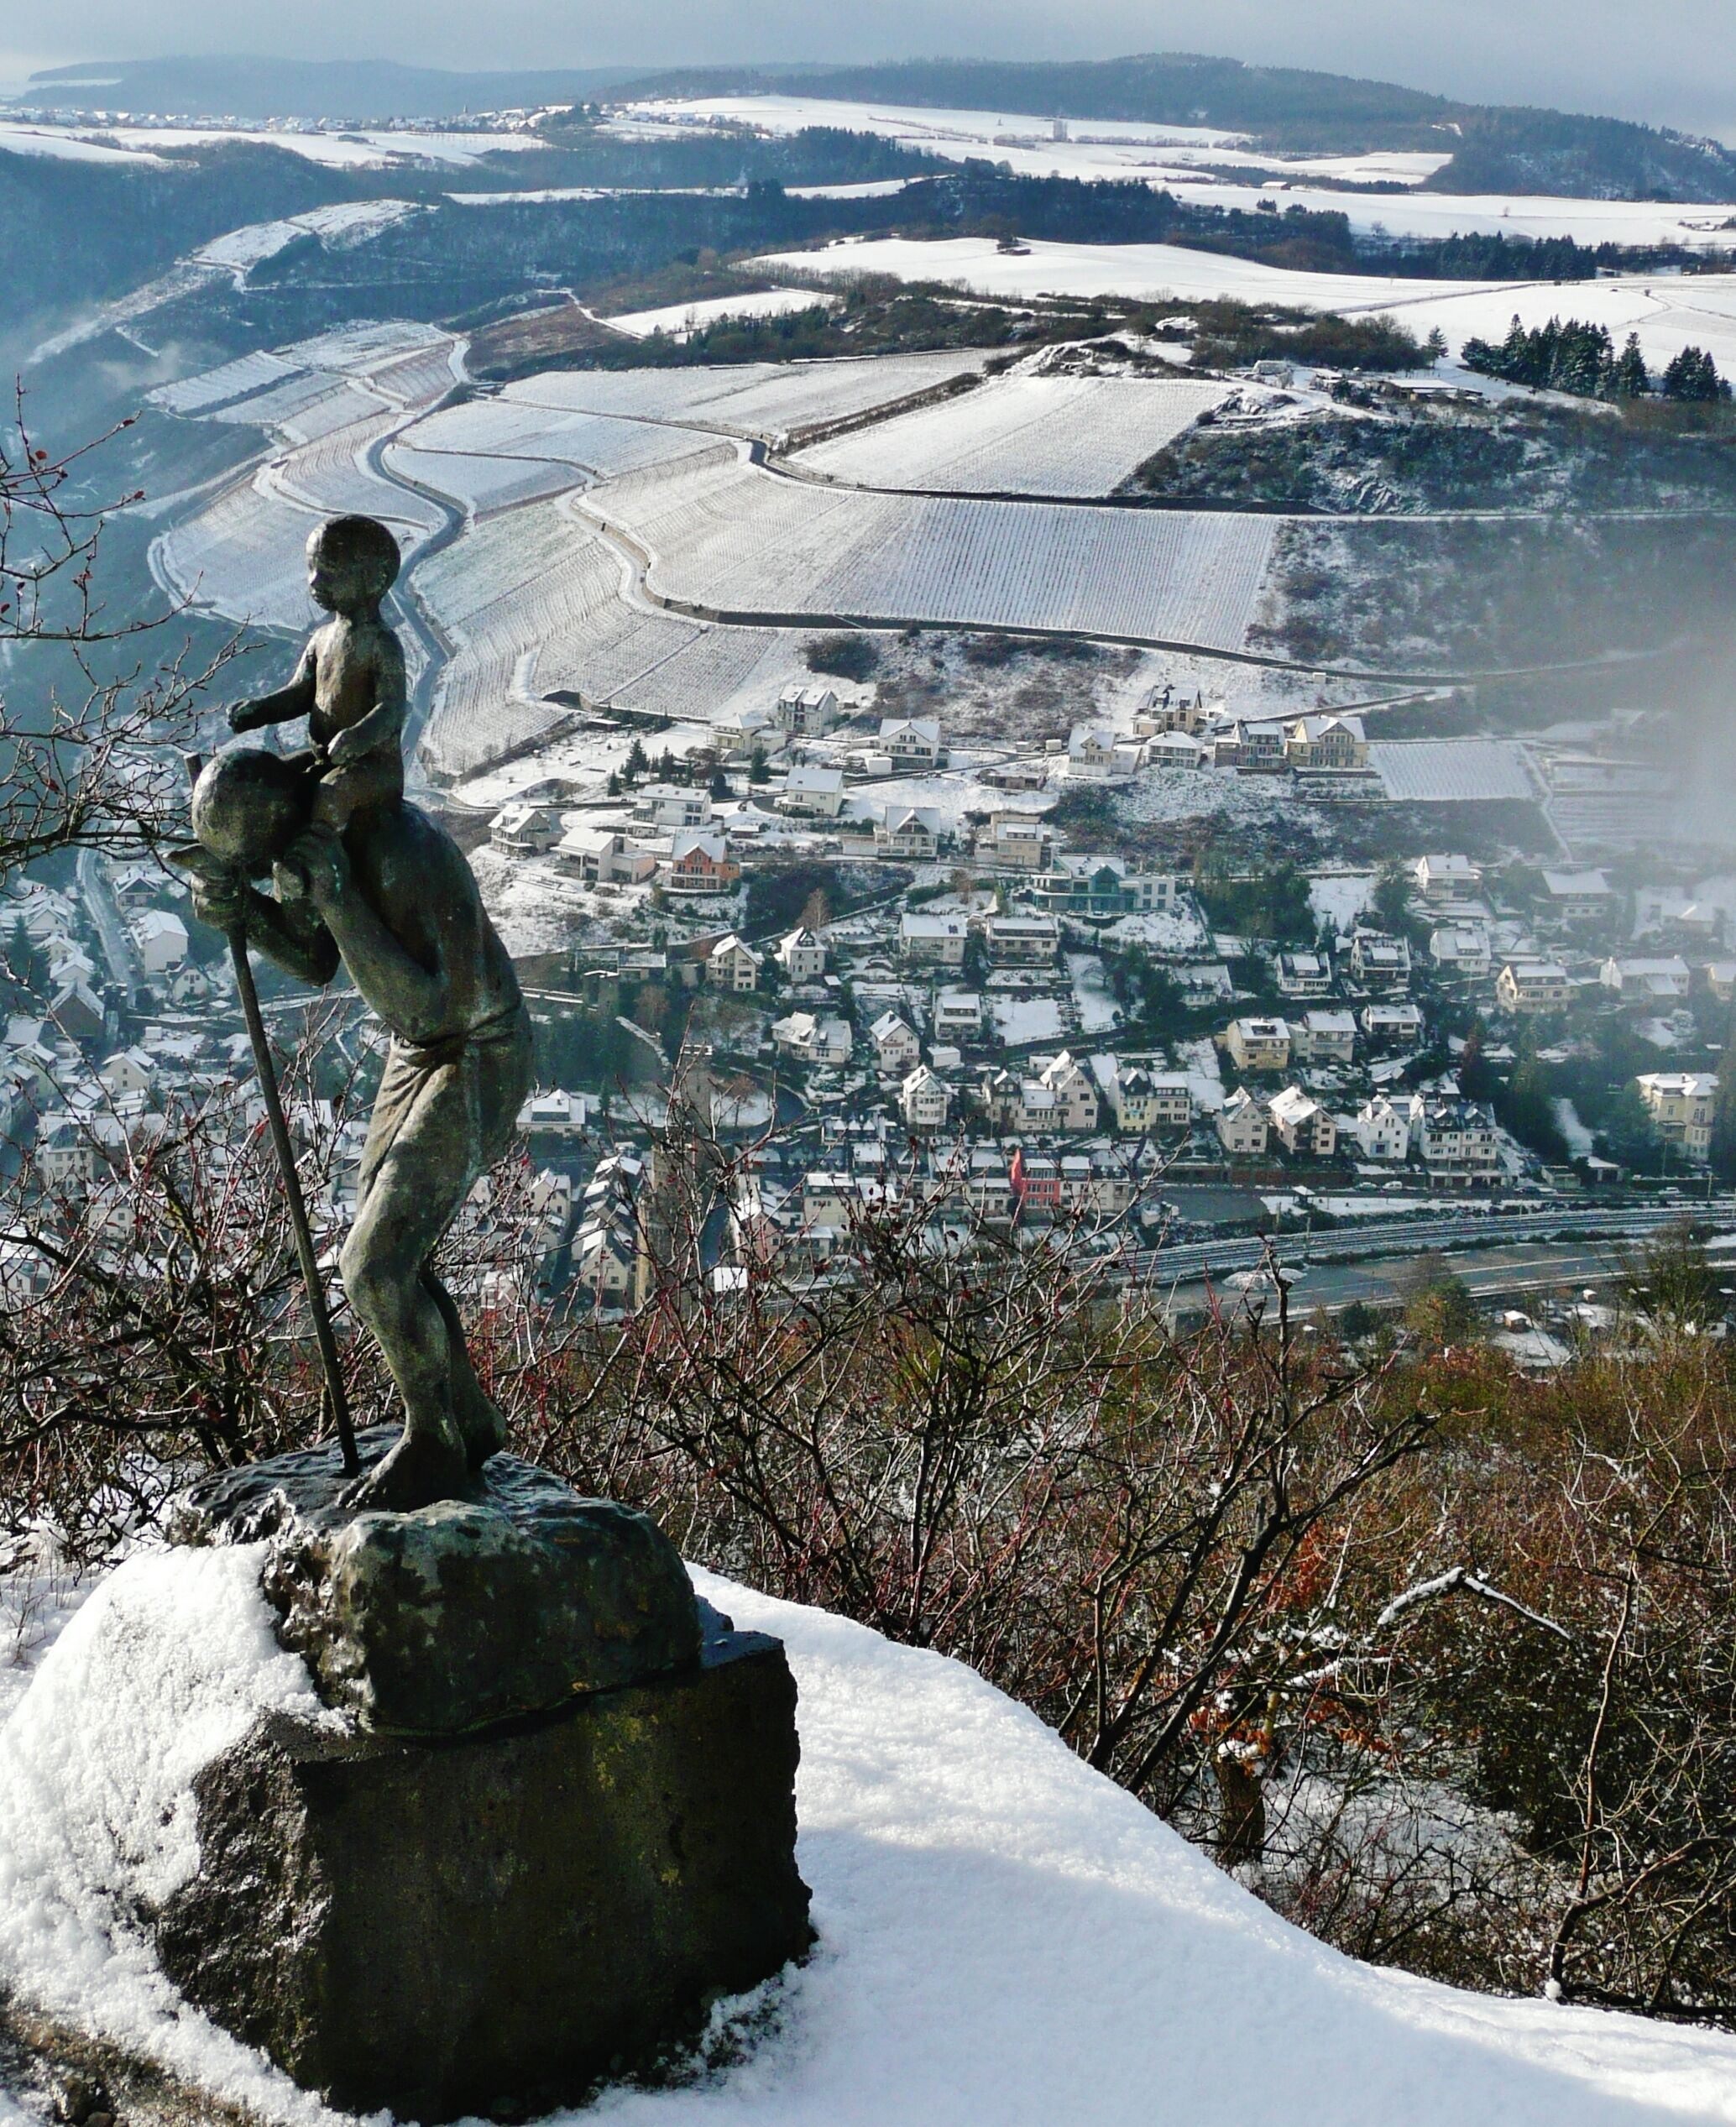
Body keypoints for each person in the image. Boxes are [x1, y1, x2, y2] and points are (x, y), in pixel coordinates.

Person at [187, 745, 534, 1512]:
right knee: (393, 1252)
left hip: (477, 1049)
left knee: (372, 1266)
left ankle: (431, 1441)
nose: (278, 877)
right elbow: (315, 958)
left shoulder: (399, 848)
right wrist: (248, 913)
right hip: (423, 1052)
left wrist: (336, 898)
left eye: (272, 865)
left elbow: (432, 1007)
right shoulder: (321, 841)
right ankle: (468, 1423)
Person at [225, 514, 408, 833]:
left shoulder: (381, 643)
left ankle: (313, 868)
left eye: (330, 571)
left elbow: (391, 709)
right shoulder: (322, 638)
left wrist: (358, 737)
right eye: (313, 569)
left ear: (375, 579)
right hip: (323, 758)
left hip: (374, 769)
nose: (315, 582)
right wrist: (260, 709)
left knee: (331, 796)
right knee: (269, 781)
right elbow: (300, 692)